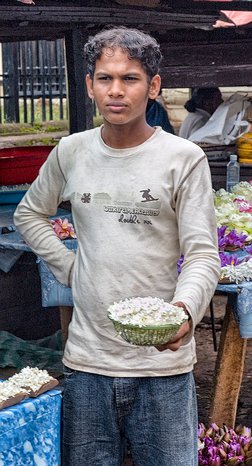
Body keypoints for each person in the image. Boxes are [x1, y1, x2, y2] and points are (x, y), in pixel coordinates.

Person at [14, 26, 220, 466]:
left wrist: (183, 312)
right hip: (88, 361)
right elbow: (29, 214)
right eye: (105, 78)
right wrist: (70, 268)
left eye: (130, 78)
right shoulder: (71, 152)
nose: (116, 91)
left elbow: (203, 253)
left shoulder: (183, 158)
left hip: (161, 365)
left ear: (154, 86)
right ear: (90, 85)